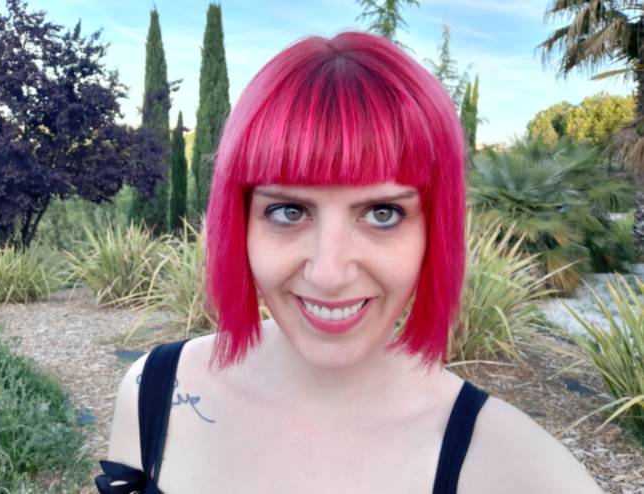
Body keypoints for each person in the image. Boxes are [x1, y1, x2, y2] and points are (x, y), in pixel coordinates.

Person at [96, 31, 604, 493]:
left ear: (434, 229)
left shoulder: (521, 472)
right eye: (288, 210)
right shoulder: (153, 394)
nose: (329, 273)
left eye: (383, 213)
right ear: (240, 222)